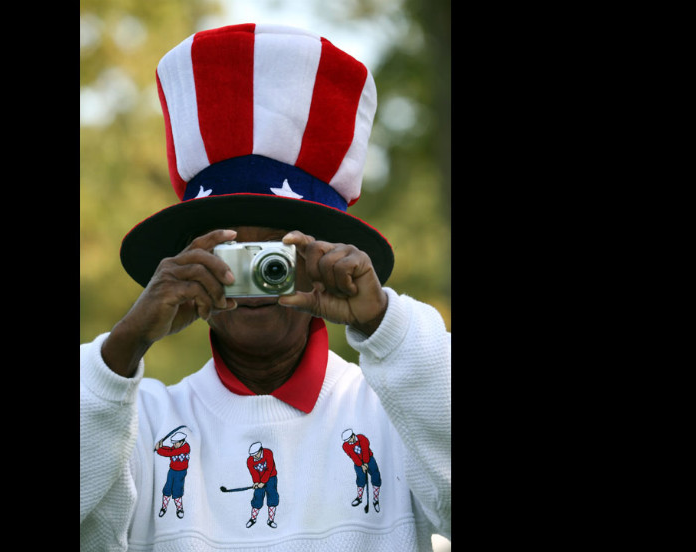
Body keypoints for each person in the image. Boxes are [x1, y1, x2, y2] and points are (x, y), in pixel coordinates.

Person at [80, 23, 450, 552]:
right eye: (230, 254)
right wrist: (122, 348)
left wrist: (385, 326)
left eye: (279, 255)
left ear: (325, 262)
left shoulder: (397, 410)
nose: (255, 276)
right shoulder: (140, 426)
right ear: (185, 269)